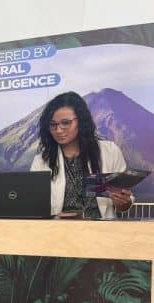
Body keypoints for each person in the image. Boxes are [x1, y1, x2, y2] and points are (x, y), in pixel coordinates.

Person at [30, 91, 132, 219]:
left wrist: (122, 202)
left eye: (66, 123)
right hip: (58, 229)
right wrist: (55, 217)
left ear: (82, 121)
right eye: (53, 125)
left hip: (102, 229)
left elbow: (124, 205)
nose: (58, 130)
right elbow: (35, 206)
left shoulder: (109, 151)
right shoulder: (41, 161)